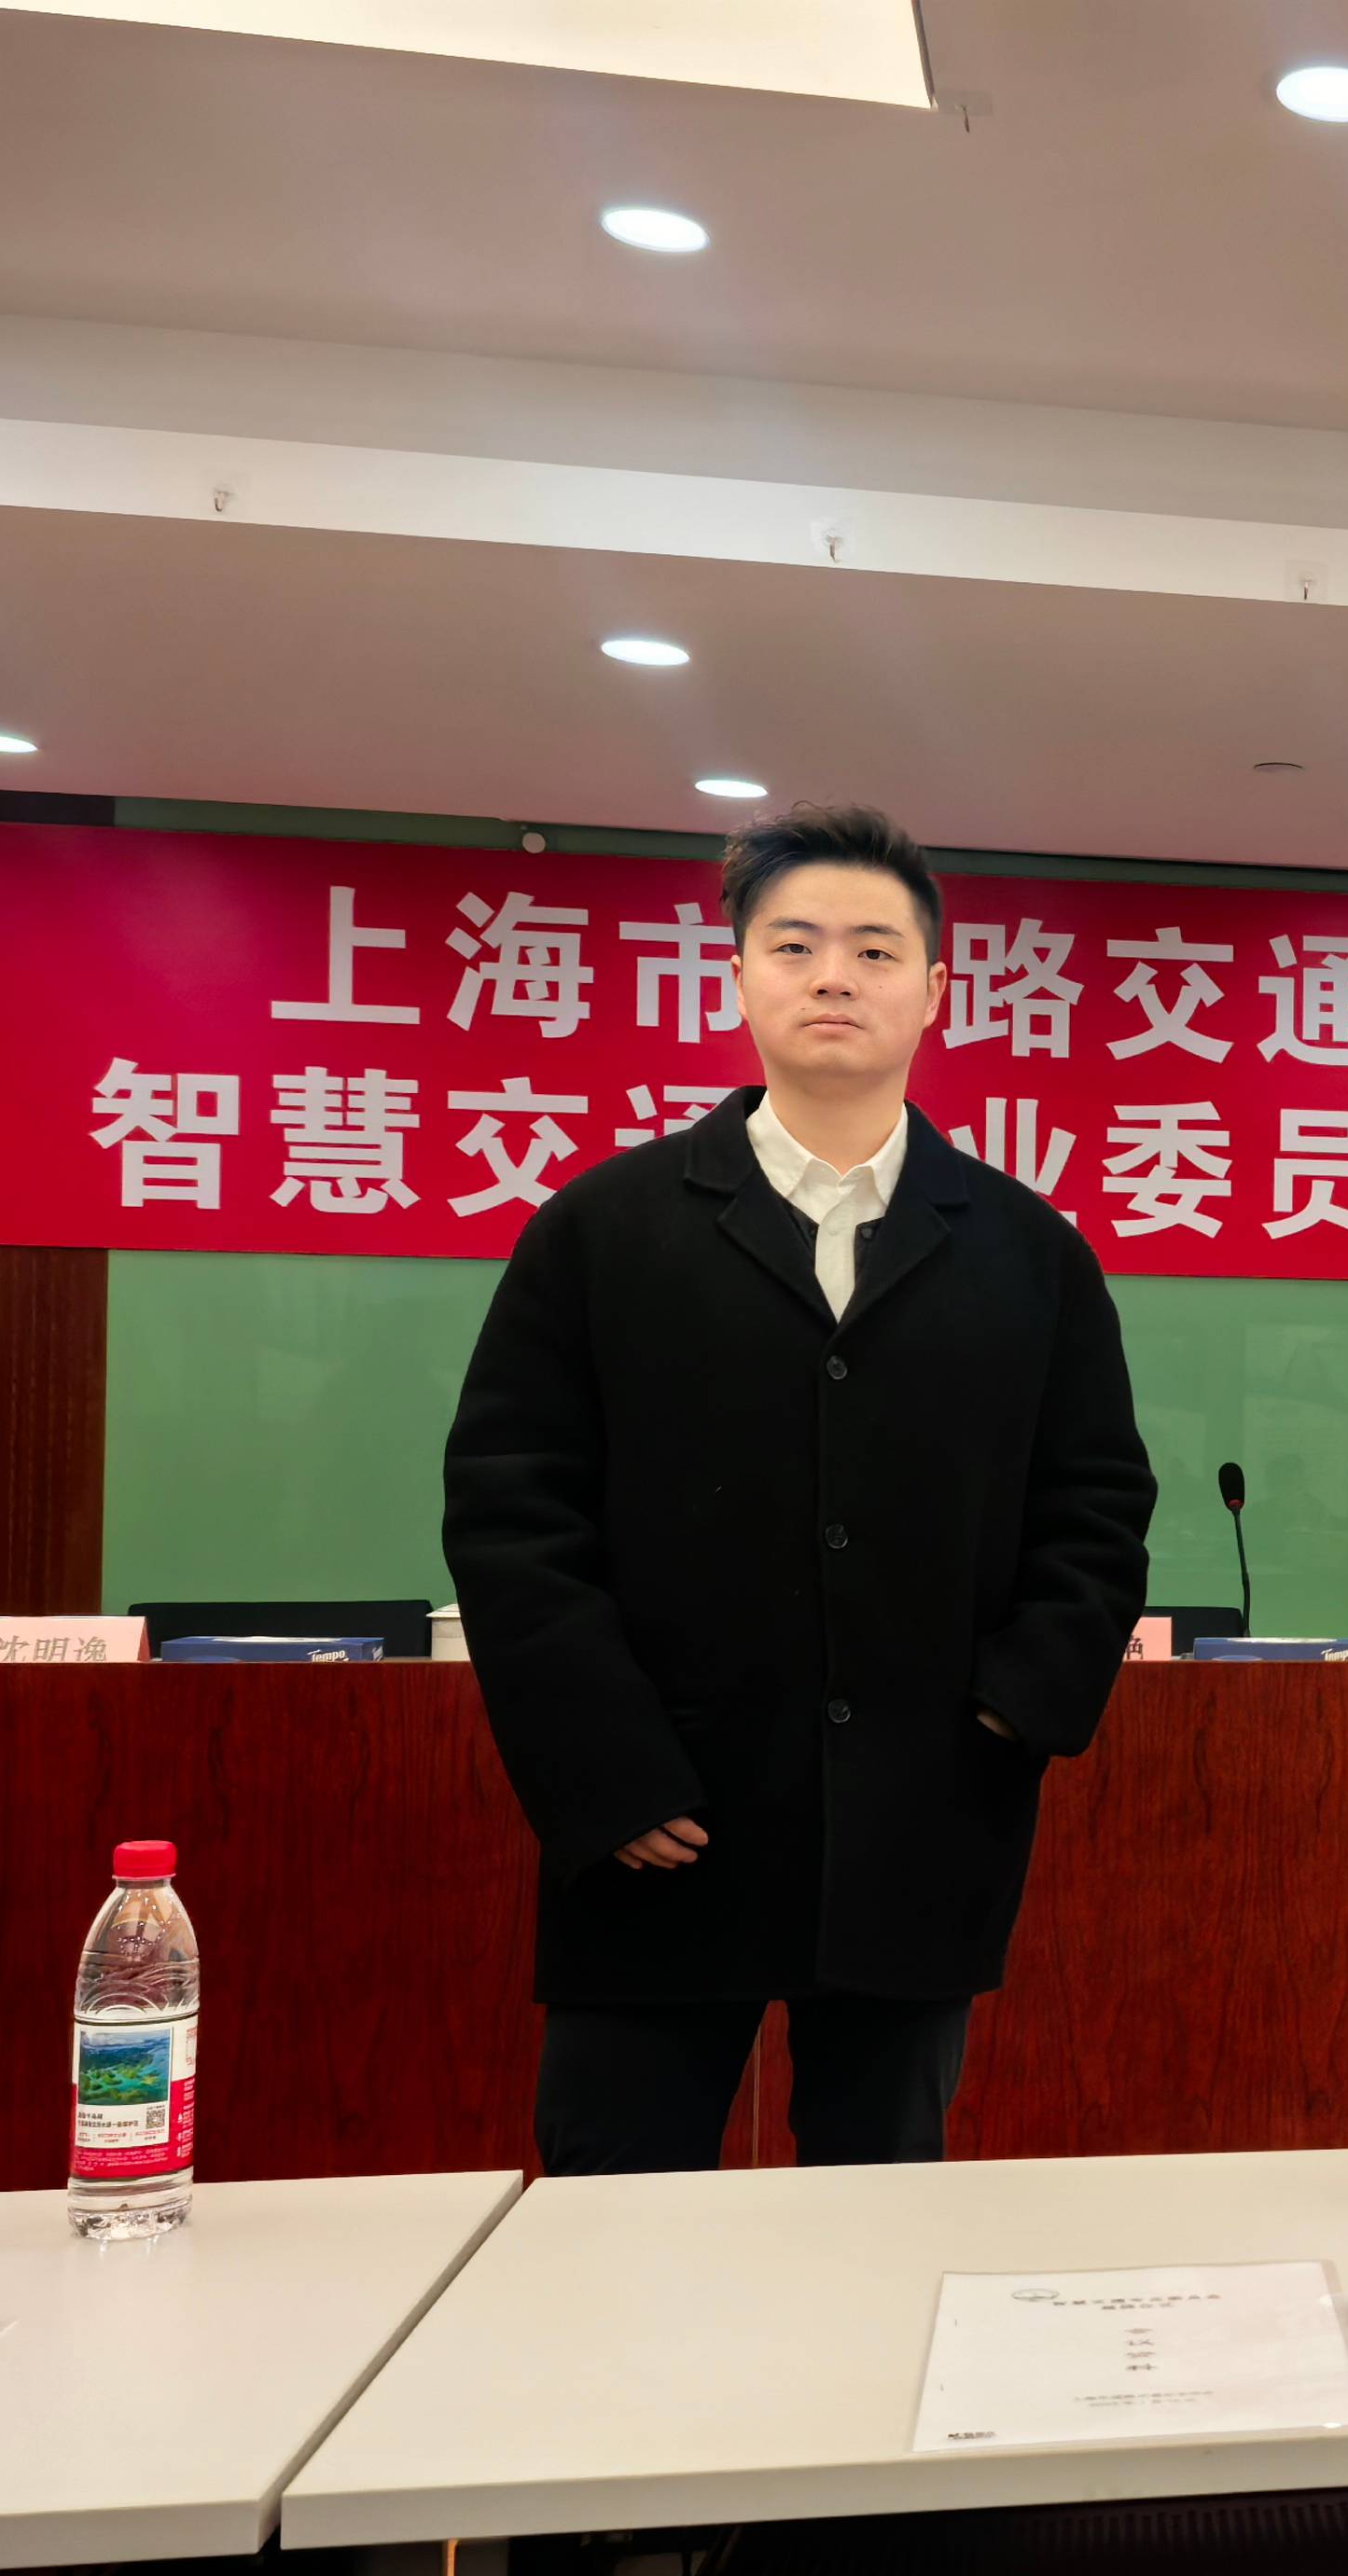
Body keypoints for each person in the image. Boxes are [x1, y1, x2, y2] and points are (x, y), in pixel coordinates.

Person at [443, 802, 1154, 2172]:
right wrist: (602, 1769)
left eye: (876, 950)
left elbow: (1097, 1504)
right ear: (738, 979)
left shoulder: (1028, 1252)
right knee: (616, 2211)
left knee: (877, 2216)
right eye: (796, 945)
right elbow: (510, 1512)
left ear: (934, 991)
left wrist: (1014, 1713)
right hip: (661, 1821)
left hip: (918, 1820)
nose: (836, 977)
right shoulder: (602, 1230)